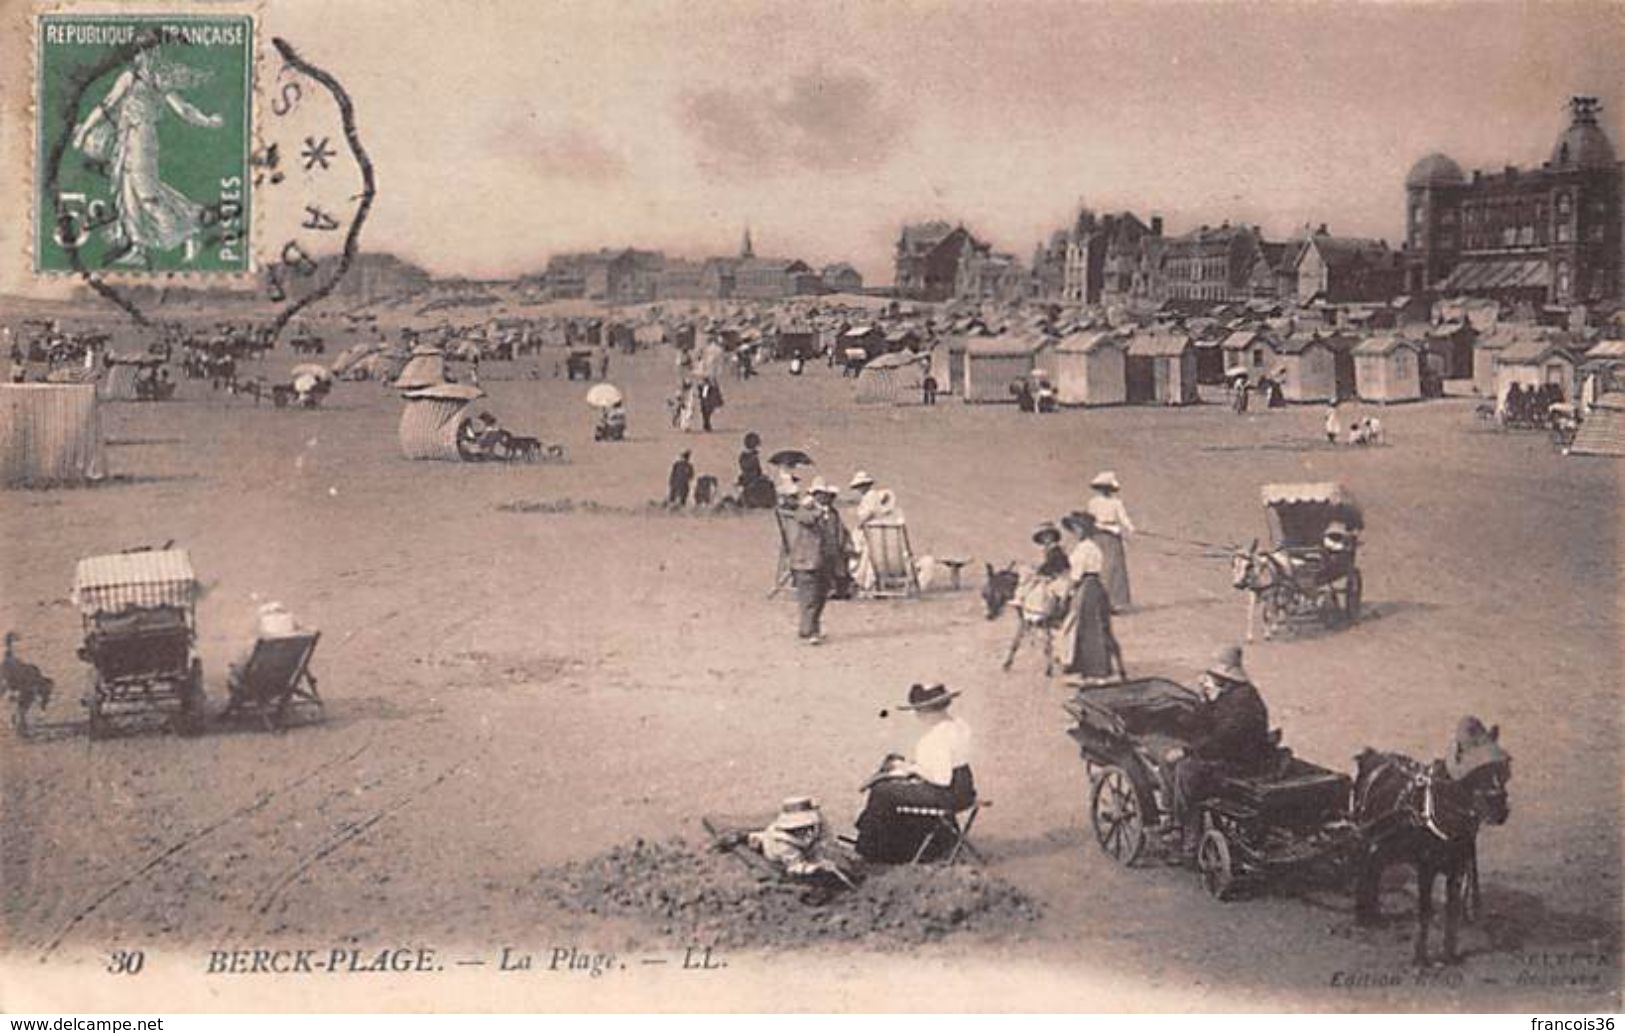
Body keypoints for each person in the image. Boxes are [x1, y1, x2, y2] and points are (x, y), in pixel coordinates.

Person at [1165, 645, 1272, 855]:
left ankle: (1184, 835)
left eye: (1213, 675)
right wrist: (1207, 700)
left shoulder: (1239, 703)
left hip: (1236, 764)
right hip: (1244, 756)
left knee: (1186, 771)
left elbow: (1221, 739)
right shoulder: (1237, 695)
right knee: (1189, 766)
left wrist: (1187, 751)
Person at [854, 683, 976, 864]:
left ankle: (872, 851)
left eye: (918, 711)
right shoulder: (958, 726)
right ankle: (927, 842)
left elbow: (941, 779)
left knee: (883, 791)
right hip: (964, 789)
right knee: (896, 786)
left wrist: (911, 769)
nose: (918, 716)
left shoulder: (936, 736)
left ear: (926, 711)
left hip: (947, 794)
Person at [1058, 511, 1124, 684]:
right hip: (1096, 587)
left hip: (1086, 587)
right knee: (1096, 627)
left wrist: (1066, 594)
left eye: (1077, 528)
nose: (1075, 532)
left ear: (1084, 529)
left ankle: (1092, 671)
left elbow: (1075, 576)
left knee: (1087, 628)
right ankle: (1095, 669)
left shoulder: (1084, 549)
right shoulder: (1092, 547)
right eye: (1073, 528)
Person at [742, 797, 857, 896]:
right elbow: (794, 867)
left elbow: (824, 842)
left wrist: (829, 860)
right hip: (784, 863)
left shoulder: (813, 828)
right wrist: (817, 868)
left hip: (807, 855)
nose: (806, 830)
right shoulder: (780, 842)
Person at [786, 478, 850, 645]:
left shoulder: (833, 514)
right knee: (809, 597)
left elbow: (840, 533)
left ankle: (812, 628)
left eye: (829, 496)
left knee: (821, 596)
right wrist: (816, 511)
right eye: (822, 495)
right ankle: (808, 631)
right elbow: (805, 519)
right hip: (806, 561)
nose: (827, 498)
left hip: (825, 561)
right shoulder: (806, 510)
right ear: (815, 495)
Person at [847, 471, 907, 593]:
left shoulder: (870, 497)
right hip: (871, 530)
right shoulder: (870, 497)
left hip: (871, 531)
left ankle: (867, 583)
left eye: (861, 486)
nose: (859, 489)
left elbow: (868, 513)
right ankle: (864, 582)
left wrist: (859, 523)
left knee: (867, 555)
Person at [1085, 471, 1135, 612]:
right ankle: (1099, 602)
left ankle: (1113, 601)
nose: (1104, 490)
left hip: (1113, 537)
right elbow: (1089, 519)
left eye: (1107, 488)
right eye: (1102, 487)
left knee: (1114, 568)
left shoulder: (1116, 503)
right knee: (1100, 567)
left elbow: (1123, 517)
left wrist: (1130, 528)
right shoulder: (1093, 502)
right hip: (1098, 536)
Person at [736, 432, 776, 508]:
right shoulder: (749, 456)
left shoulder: (746, 455)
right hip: (751, 478)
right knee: (769, 484)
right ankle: (768, 503)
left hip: (749, 477)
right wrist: (760, 476)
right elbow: (751, 469)